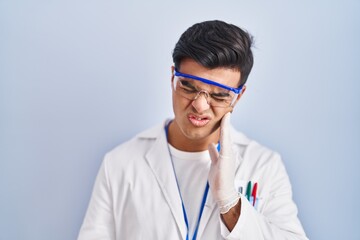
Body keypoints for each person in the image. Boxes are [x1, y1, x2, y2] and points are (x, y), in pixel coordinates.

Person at [78, 20, 308, 240]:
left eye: (219, 94)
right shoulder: (120, 163)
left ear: (239, 97)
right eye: (188, 86)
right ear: (172, 78)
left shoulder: (264, 165)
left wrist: (230, 203)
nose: (199, 105)